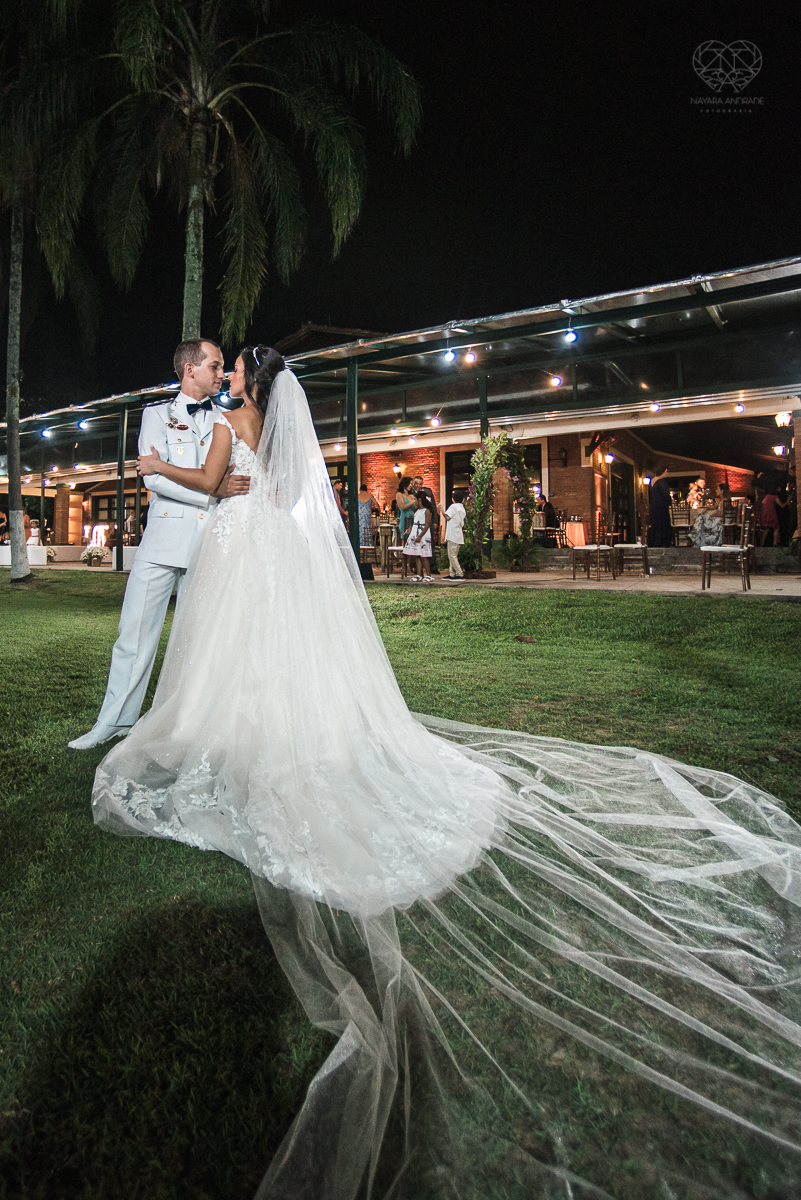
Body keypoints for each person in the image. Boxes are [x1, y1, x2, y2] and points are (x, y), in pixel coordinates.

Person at [90, 359, 801, 1200]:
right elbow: (276, 494)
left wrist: (165, 472)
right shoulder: (270, 428)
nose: (231, 371)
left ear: (248, 381)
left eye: (237, 366)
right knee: (265, 659)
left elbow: (216, 485)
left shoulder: (224, 421)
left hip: (235, 539)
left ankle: (231, 730)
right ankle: (267, 724)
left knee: (227, 659)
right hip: (264, 542)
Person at [68, 338, 250, 750]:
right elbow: (154, 479)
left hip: (213, 545)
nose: (222, 373)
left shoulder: (231, 417)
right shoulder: (155, 416)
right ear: (190, 369)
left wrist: (218, 490)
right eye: (216, 365)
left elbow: (234, 477)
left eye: (224, 367)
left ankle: (182, 727)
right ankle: (112, 723)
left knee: (197, 641)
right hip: (163, 540)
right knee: (133, 634)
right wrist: (211, 492)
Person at [411, 474, 440, 573]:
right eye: (416, 483)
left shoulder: (428, 492)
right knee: (417, 545)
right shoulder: (410, 493)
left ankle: (433, 567)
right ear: (413, 484)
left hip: (428, 521)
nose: (418, 486)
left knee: (429, 544)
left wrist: (435, 521)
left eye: (420, 484)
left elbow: (433, 507)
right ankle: (417, 568)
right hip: (416, 522)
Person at [689, 482, 733, 548]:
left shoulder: (724, 500)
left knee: (702, 519)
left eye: (718, 489)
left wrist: (713, 515)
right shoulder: (721, 499)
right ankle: (698, 536)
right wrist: (706, 508)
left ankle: (698, 536)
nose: (716, 490)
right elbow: (714, 506)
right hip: (721, 518)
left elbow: (722, 513)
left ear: (722, 491)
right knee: (702, 517)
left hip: (724, 519)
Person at [402, 491, 434, 581]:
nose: (414, 501)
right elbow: (415, 522)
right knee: (417, 555)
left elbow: (427, 524)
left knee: (424, 555)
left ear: (420, 500)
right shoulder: (417, 510)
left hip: (422, 534)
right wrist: (410, 528)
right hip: (415, 532)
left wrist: (420, 536)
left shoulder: (427, 511)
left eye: (415, 499)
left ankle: (428, 574)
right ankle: (419, 574)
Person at [442, 487, 466, 580]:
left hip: (452, 534)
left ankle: (459, 573)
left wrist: (441, 509)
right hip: (459, 534)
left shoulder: (453, 507)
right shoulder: (462, 508)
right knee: (453, 555)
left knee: (452, 556)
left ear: (453, 499)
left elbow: (447, 517)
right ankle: (452, 573)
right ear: (463, 499)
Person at [646, 465, 672, 547]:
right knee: (663, 523)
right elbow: (665, 495)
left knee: (656, 524)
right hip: (661, 506)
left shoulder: (652, 481)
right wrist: (669, 502)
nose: (667, 473)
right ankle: (663, 542)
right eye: (666, 471)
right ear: (663, 472)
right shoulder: (662, 482)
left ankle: (655, 542)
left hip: (655, 506)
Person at [394, 475, 415, 540]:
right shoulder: (399, 494)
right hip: (404, 519)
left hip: (412, 519)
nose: (411, 485)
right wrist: (412, 502)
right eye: (409, 483)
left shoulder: (411, 496)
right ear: (404, 484)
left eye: (411, 484)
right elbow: (402, 507)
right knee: (404, 539)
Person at [357, 482, 377, 547]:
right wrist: (378, 512)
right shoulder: (370, 496)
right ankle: (367, 543)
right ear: (366, 490)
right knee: (367, 528)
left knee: (360, 528)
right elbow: (377, 505)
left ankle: (360, 544)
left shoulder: (358, 496)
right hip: (367, 514)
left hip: (359, 514)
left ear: (360, 490)